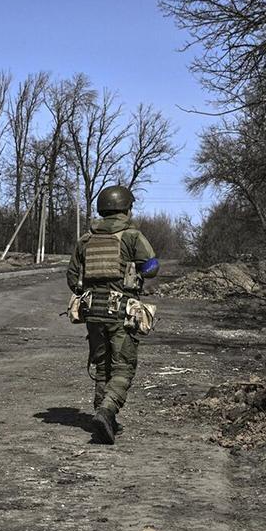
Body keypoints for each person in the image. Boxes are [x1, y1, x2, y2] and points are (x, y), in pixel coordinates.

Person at [66, 185, 160, 445]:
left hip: (93, 312)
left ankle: (102, 416)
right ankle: (107, 411)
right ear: (126, 208)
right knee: (123, 367)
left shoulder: (86, 239)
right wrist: (139, 272)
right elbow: (152, 265)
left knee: (102, 365)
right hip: (121, 311)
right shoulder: (131, 236)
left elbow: (73, 278)